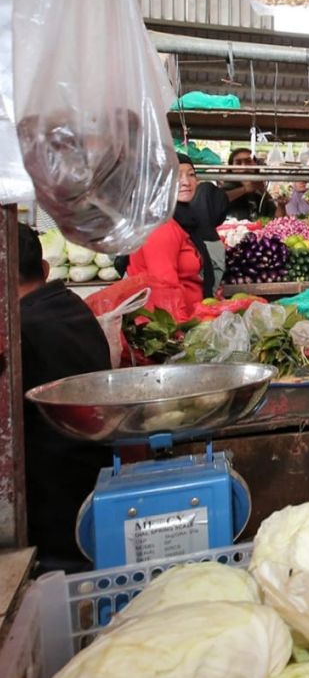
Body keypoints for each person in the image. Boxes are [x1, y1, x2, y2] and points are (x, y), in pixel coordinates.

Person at [17, 224, 112, 574]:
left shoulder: (20, 332)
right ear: (44, 270)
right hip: (89, 480)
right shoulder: (70, 304)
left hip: (54, 513)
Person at [127, 154, 209, 319]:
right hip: (168, 324)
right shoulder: (161, 225)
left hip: (190, 316)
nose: (186, 182)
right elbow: (164, 289)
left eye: (191, 174)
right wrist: (178, 335)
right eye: (176, 176)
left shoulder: (184, 219)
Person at [223, 148, 277, 221]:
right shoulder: (227, 188)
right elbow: (217, 201)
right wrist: (244, 189)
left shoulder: (258, 192)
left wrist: (263, 190)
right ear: (231, 168)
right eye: (238, 163)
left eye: (248, 161)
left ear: (255, 165)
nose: (244, 167)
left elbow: (273, 216)